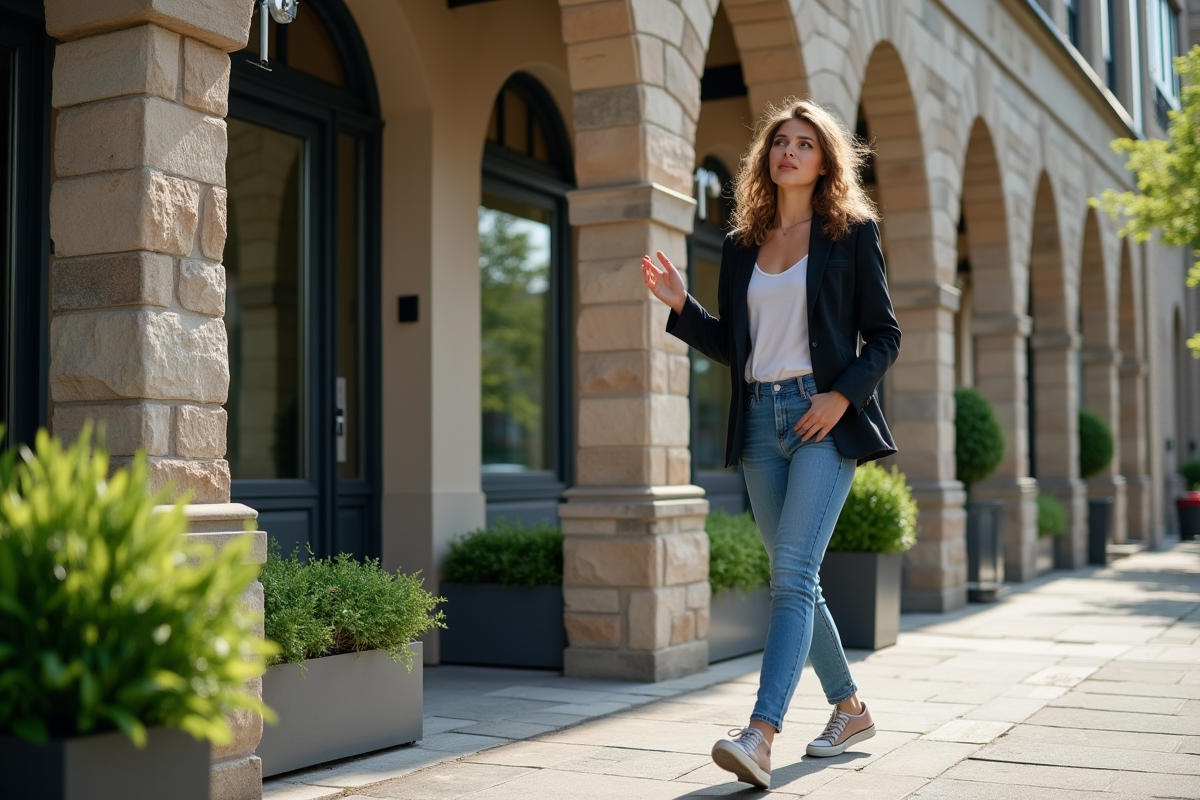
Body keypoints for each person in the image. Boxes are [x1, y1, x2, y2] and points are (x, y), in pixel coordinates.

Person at [641, 98, 902, 789]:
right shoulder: (742, 245)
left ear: (824, 162)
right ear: (767, 158)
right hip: (759, 422)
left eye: (805, 143)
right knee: (798, 579)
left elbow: (885, 336)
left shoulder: (851, 234)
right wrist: (681, 308)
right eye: (780, 142)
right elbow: (735, 344)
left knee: (790, 576)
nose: (789, 151)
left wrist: (841, 395)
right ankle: (851, 707)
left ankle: (761, 734)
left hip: (823, 420)